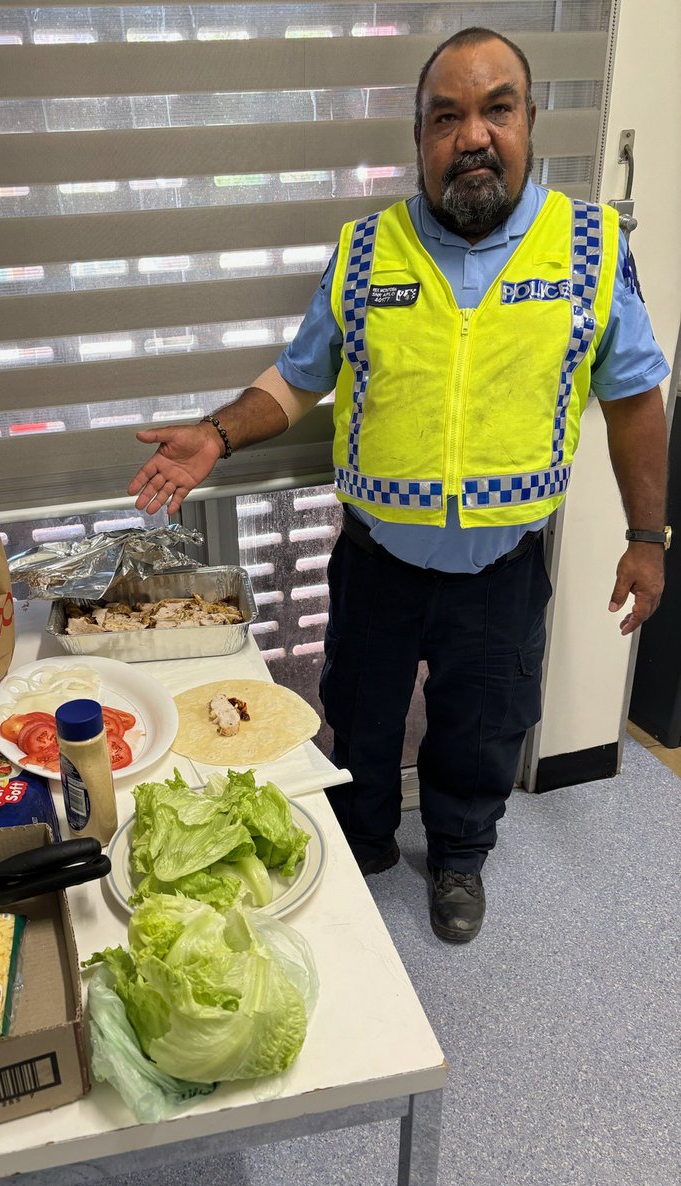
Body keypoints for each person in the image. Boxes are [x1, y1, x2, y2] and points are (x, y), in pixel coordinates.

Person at [127, 28, 670, 943]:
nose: (472, 135)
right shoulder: (365, 251)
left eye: (496, 108)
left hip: (502, 570)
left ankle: (459, 856)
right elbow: (297, 378)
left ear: (529, 121)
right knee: (360, 716)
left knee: (484, 729)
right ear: (419, 136)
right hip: (377, 560)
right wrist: (217, 434)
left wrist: (648, 540)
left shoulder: (590, 249)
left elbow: (634, 402)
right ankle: (366, 840)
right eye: (445, 116)